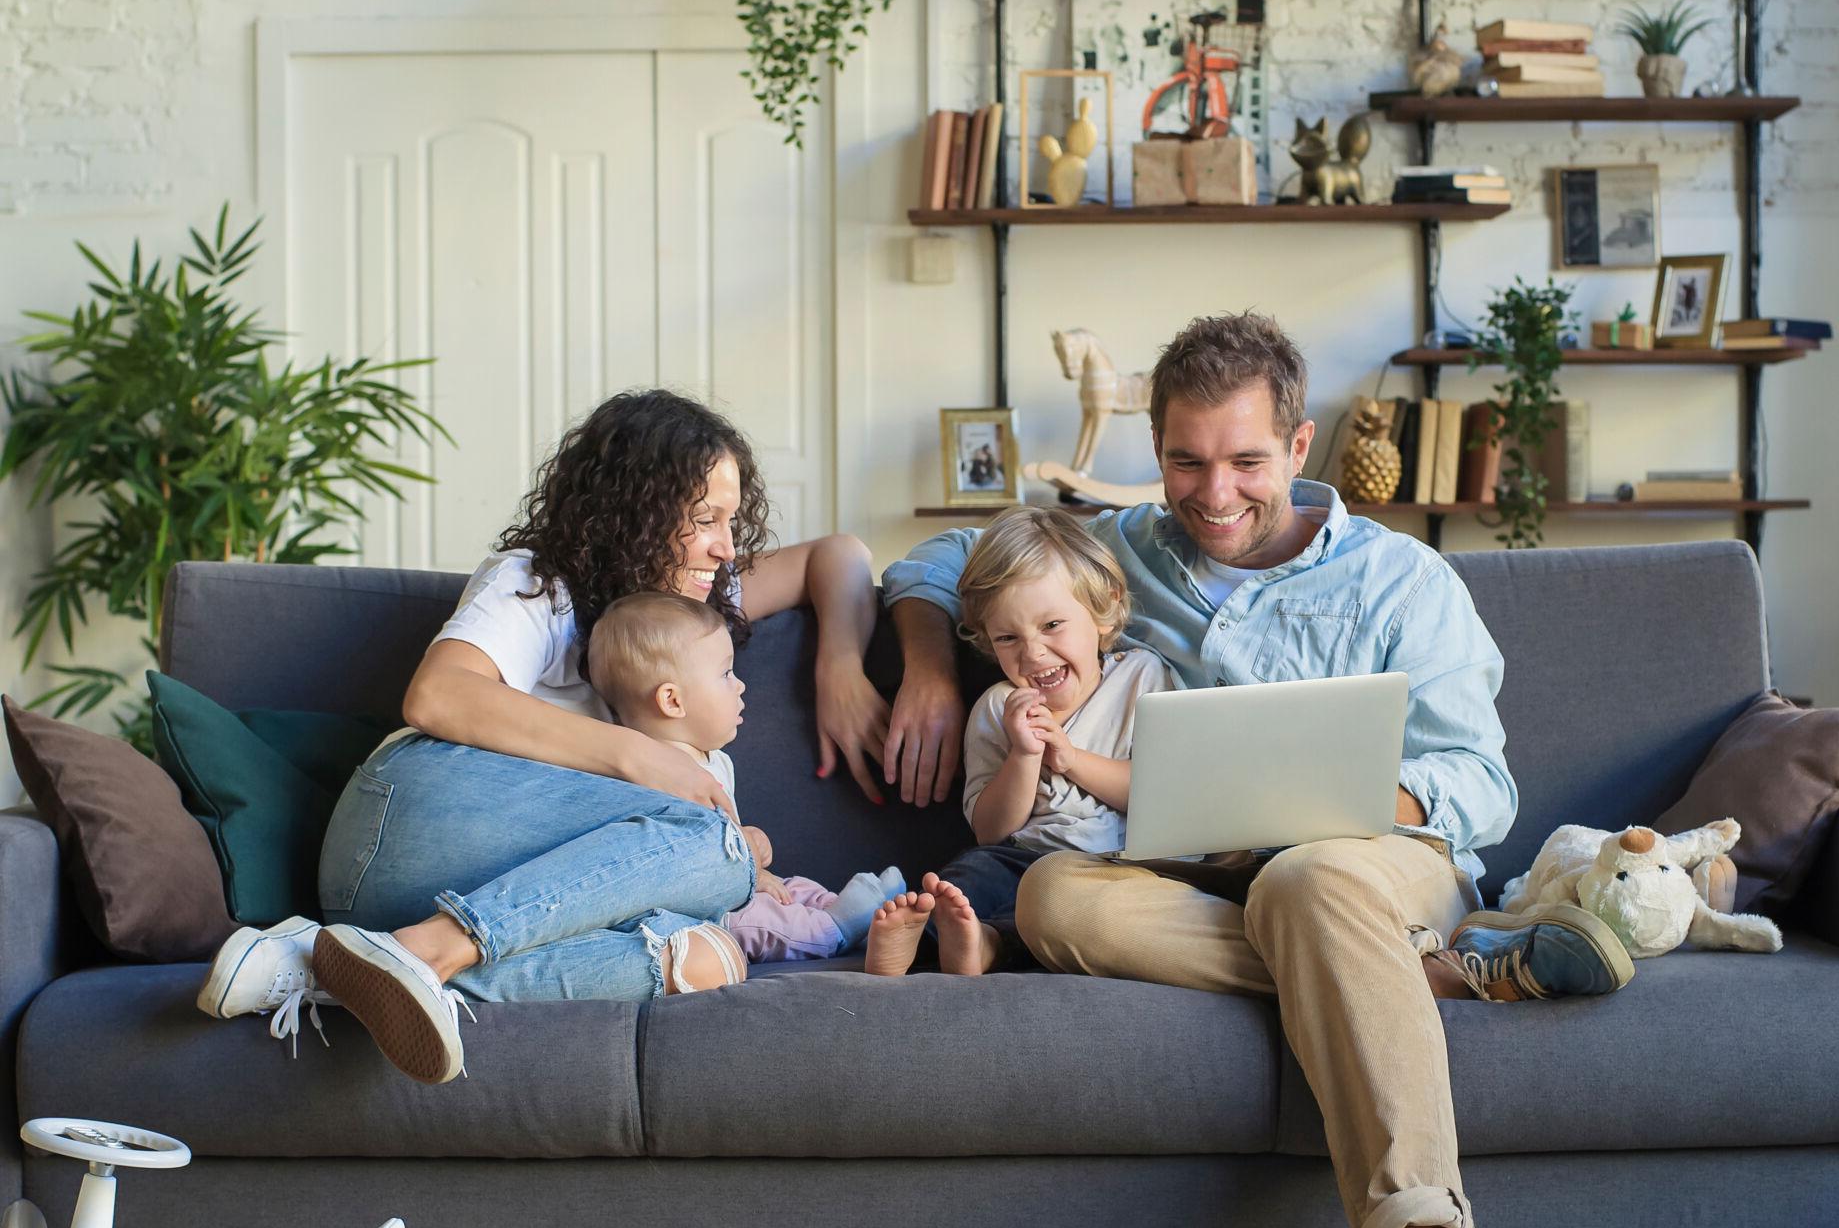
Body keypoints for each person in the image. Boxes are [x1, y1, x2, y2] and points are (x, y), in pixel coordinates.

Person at [879, 312, 1633, 1228]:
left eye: (1246, 461)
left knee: (1308, 877)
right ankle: (1410, 974)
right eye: (1185, 462)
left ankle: (1418, 1210)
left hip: (1368, 867)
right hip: (1191, 879)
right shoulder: (1119, 551)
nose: (1214, 492)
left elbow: (1480, 784)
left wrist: (1329, 806)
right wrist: (923, 670)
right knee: (1052, 899)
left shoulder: (1404, 580)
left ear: (1298, 444)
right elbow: (940, 561)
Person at [195, 388, 893, 1085]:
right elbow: (437, 696)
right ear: (636, 513)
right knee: (718, 845)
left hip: (430, 896)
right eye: (705, 519)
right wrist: (644, 759)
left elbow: (837, 556)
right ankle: (435, 949)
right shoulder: (538, 584)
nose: (725, 546)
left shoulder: (690, 604)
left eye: (731, 520)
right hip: (403, 824)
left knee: (709, 952)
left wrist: (840, 669)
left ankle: (326, 965)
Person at [862, 506, 1174, 978]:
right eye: (1008, 637)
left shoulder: (1143, 678)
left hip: (1118, 863)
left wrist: (1070, 759)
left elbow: (1159, 795)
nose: (1033, 653)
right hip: (1022, 856)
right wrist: (1024, 757)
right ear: (987, 640)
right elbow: (992, 829)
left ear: (1104, 611)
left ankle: (988, 946)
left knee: (1090, 910)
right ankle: (923, 942)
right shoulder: (997, 707)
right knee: (967, 879)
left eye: (1052, 626)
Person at [586, 590, 906, 963]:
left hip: (738, 883)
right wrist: (747, 871)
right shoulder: (655, 777)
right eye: (726, 674)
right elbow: (687, 866)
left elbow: (724, 838)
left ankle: (856, 914)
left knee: (795, 888)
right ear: (673, 701)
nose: (740, 685)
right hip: (701, 912)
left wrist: (749, 845)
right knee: (762, 920)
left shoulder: (714, 760)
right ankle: (835, 931)